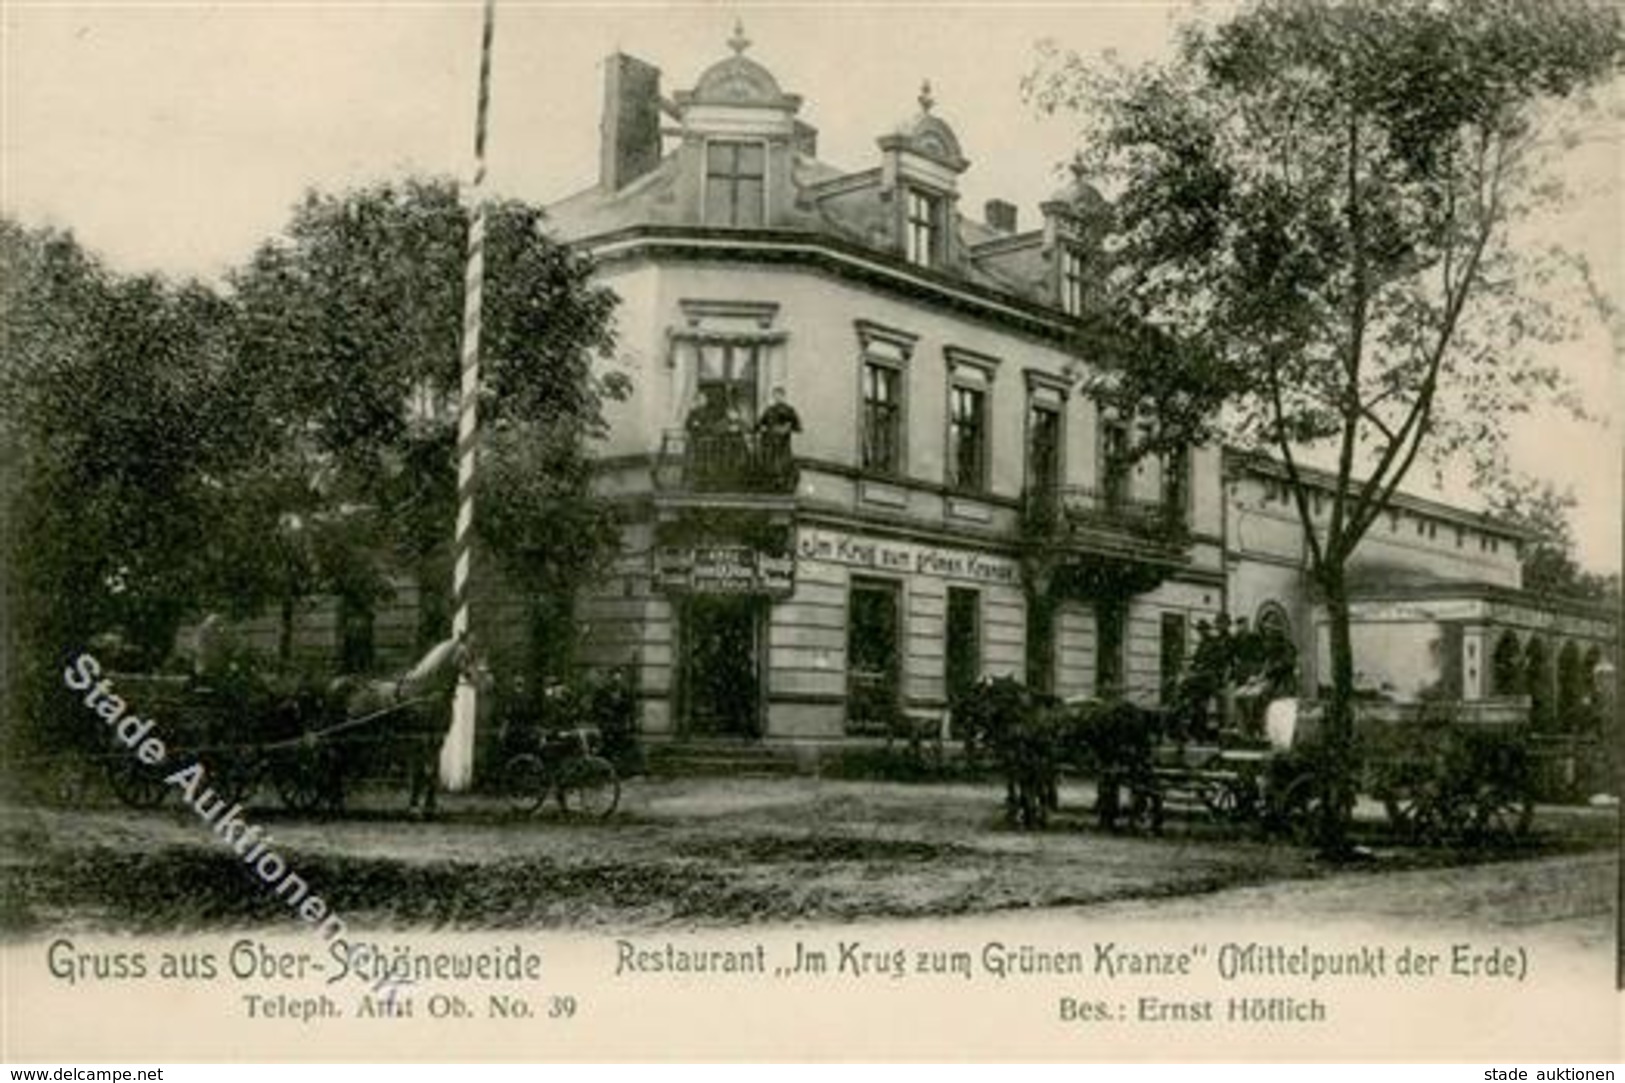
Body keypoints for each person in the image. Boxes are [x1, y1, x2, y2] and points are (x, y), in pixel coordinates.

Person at [755, 386, 802, 488]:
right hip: (770, 442)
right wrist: (763, 428)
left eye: (779, 395)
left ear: (783, 396)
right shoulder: (769, 410)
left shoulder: (789, 410)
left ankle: (782, 480)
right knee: (770, 461)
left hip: (783, 443)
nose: (777, 397)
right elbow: (760, 424)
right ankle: (772, 481)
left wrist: (786, 428)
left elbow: (797, 426)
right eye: (775, 395)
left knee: (783, 461)